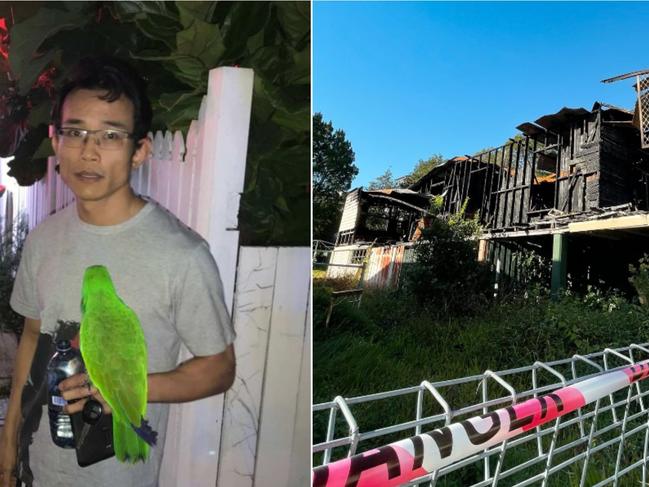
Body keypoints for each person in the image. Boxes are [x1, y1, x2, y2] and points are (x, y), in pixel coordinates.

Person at [0, 56, 236, 487]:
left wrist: (126, 387)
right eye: (75, 132)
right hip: (33, 469)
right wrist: (9, 441)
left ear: (139, 151)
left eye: (110, 135)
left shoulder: (183, 255)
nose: (88, 151)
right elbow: (32, 337)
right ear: (55, 142)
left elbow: (219, 368)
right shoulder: (43, 239)